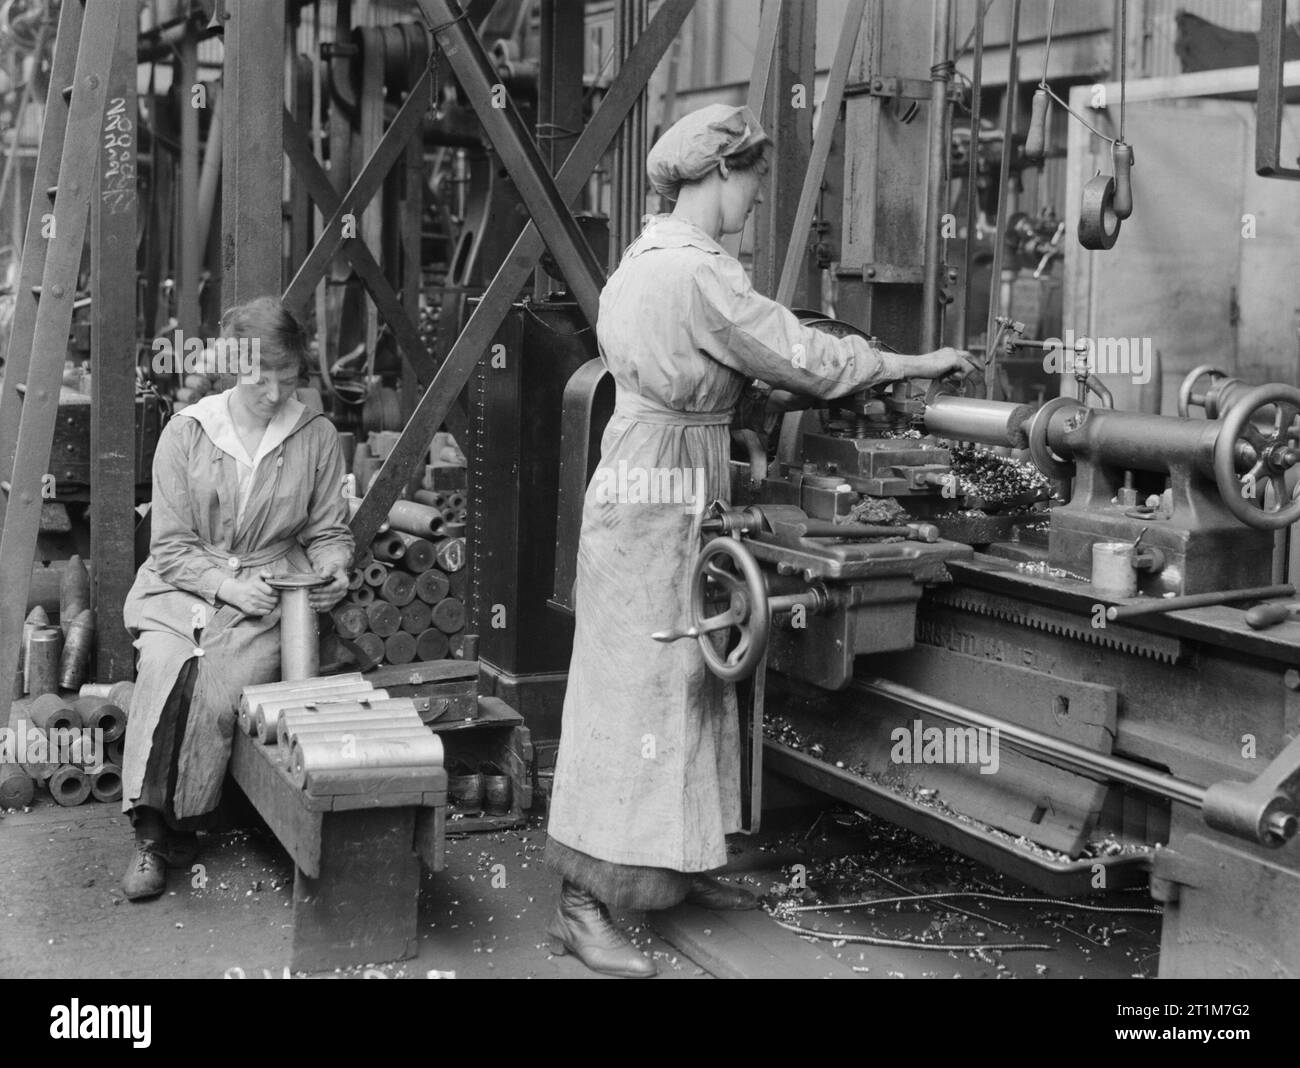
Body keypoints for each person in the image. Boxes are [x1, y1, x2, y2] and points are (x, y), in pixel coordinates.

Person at [544, 104, 976, 977]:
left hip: (659, 472)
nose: (752, 198)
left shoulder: (646, 255)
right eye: (748, 180)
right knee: (635, 690)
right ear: (713, 174)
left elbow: (729, 364)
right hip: (658, 487)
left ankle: (682, 862)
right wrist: (910, 365)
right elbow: (802, 356)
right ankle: (582, 904)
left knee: (690, 682)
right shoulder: (695, 274)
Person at [119, 297, 353, 900]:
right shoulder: (187, 432)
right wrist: (225, 586)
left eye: (288, 376)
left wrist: (333, 569)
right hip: (182, 587)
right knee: (167, 668)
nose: (275, 392)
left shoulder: (316, 436)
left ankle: (188, 823)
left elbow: (327, 530)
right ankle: (149, 837)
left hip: (271, 589)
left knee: (220, 685)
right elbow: (169, 546)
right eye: (260, 376)